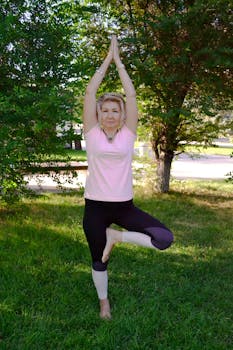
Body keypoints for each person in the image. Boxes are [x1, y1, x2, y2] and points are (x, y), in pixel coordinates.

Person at [82, 36, 174, 320]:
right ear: (98, 114)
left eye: (115, 110)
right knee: (98, 260)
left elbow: (132, 96)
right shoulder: (92, 132)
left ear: (123, 115)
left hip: (124, 206)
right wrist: (106, 61)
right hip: (95, 207)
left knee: (164, 238)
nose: (110, 114)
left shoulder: (129, 133)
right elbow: (89, 93)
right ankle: (104, 303)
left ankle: (117, 236)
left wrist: (119, 62)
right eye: (105, 110)